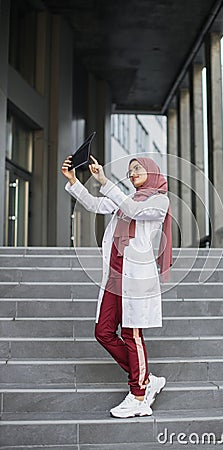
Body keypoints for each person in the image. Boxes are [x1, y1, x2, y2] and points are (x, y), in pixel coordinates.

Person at [61, 154, 172, 418]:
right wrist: (74, 181)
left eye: (138, 168)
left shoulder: (159, 200)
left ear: (152, 172)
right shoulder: (125, 200)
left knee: (132, 334)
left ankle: (139, 395)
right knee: (104, 331)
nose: (132, 173)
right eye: (130, 169)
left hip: (136, 278)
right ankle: (145, 377)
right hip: (114, 277)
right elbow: (94, 204)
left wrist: (104, 180)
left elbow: (134, 212)